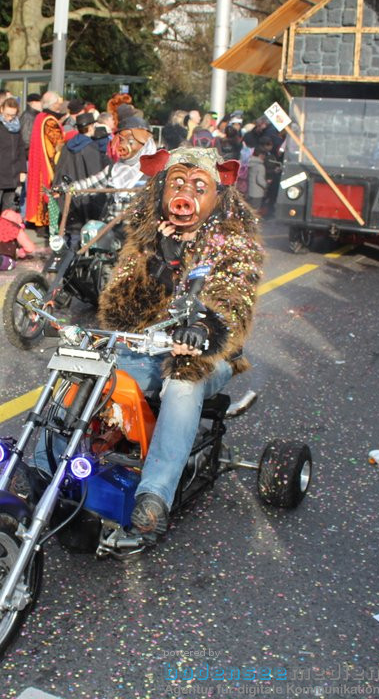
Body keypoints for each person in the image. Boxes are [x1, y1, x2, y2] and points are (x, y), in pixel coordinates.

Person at [90, 146, 264, 540]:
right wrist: (160, 269)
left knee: (185, 380)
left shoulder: (231, 245)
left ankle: (154, 497)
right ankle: (44, 460)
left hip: (208, 355)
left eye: (198, 186)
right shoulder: (149, 239)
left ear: (216, 196)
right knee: (83, 362)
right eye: (178, 184)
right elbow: (117, 312)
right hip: (144, 346)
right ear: (162, 190)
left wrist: (204, 328)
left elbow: (233, 302)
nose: (185, 195)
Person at [53, 112, 107, 225]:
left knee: (69, 229)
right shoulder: (91, 147)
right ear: (91, 127)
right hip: (84, 196)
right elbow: (96, 175)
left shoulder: (67, 146)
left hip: (68, 193)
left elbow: (59, 169)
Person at [24, 91, 67, 229]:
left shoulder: (40, 117)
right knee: (47, 192)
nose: (60, 107)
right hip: (47, 163)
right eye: (58, 104)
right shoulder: (49, 121)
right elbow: (58, 142)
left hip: (38, 160)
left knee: (37, 191)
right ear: (53, 104)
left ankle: (36, 219)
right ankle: (46, 222)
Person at [19, 92, 42, 157]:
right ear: (33, 103)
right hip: (28, 155)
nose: (42, 104)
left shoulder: (34, 115)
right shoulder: (28, 116)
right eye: (40, 102)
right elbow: (26, 139)